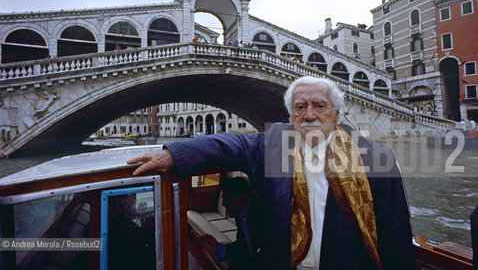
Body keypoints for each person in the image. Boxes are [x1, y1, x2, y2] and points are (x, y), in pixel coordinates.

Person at [128, 76, 415, 269]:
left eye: (319, 106)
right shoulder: (274, 142)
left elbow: (395, 236)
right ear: (291, 115)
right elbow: (232, 145)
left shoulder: (375, 158)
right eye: (300, 107)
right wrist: (173, 155)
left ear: (337, 114)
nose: (310, 115)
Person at [198, 177, 263, 269]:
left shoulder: (259, 215)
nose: (223, 203)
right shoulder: (242, 215)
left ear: (241, 197)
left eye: (227, 198)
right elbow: (242, 246)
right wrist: (217, 248)